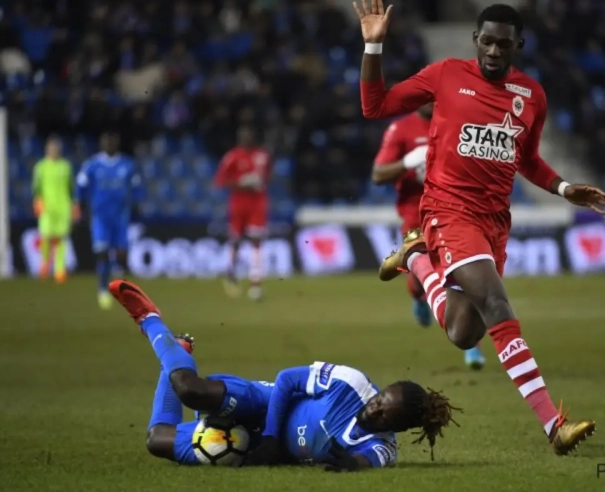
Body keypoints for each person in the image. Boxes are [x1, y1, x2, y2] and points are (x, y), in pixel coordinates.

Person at [354, 0, 605, 454]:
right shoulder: (446, 75)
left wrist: (564, 187)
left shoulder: (532, 96)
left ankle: (414, 258)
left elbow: (527, 160)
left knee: (463, 333)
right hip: (447, 210)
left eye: (504, 45)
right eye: (487, 42)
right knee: (496, 302)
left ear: (519, 46)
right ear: (475, 40)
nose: (494, 51)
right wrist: (373, 48)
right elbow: (375, 107)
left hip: (494, 220)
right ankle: (554, 425)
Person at [108, 279, 460, 469]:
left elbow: (365, 461)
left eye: (386, 415)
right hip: (264, 402)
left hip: (256, 449)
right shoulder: (352, 385)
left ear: (395, 429)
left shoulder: (382, 448)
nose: (376, 408)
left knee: (157, 441)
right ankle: (151, 321)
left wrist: (351, 464)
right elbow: (290, 379)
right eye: (382, 399)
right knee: (189, 390)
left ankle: (176, 355)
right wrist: (274, 436)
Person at [371, 104, 485, 369]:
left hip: (452, 212)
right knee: (421, 277)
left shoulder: (455, 125)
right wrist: (407, 162)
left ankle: (473, 346)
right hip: (415, 218)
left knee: (462, 273)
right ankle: (417, 294)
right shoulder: (401, 129)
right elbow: (378, 175)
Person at [76, 133, 143, 309]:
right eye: (107, 142)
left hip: (121, 216)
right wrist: (81, 208)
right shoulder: (92, 165)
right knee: (102, 253)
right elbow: (81, 186)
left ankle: (121, 288)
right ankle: (102, 289)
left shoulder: (127, 164)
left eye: (113, 141)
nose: (110, 144)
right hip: (100, 217)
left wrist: (136, 206)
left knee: (121, 254)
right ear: (101, 144)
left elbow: (136, 187)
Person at [214, 126, 271, 301]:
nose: (246, 138)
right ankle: (231, 273)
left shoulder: (263, 156)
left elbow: (268, 176)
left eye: (248, 135)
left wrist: (258, 182)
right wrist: (241, 183)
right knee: (236, 240)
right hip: (238, 203)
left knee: (256, 241)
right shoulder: (232, 156)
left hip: (257, 203)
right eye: (242, 136)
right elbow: (220, 181)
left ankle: (256, 283)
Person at [32, 136, 80, 283]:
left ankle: (59, 270)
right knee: (45, 237)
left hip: (63, 207)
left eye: (55, 148)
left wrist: (74, 205)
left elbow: (72, 188)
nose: (53, 150)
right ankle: (45, 265)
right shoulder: (40, 167)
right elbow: (36, 187)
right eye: (51, 148)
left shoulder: (66, 166)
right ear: (47, 150)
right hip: (47, 207)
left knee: (60, 239)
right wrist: (37, 201)